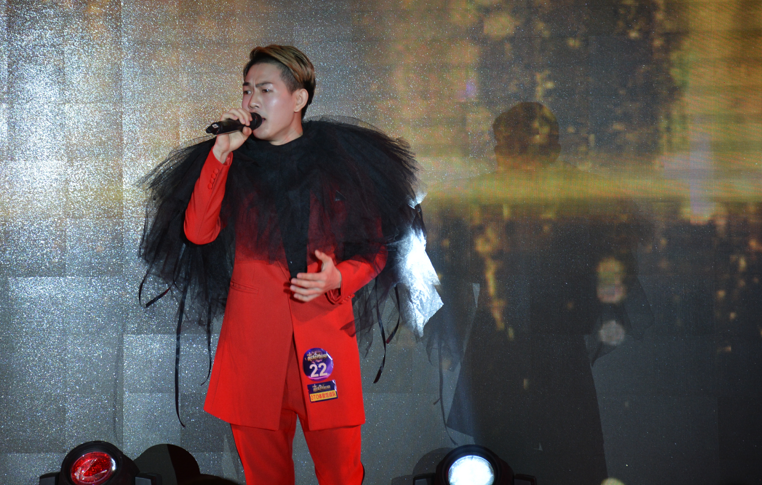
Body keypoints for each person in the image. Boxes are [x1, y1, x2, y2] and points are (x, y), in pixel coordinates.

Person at [139, 45, 441, 485]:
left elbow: (376, 251)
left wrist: (338, 277)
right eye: (247, 91)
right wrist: (220, 155)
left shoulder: (342, 165)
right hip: (254, 348)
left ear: (298, 98)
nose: (252, 101)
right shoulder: (231, 162)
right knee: (265, 476)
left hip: (323, 343)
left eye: (265, 90)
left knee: (342, 474)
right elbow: (199, 232)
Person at [426, 102, 652, 484]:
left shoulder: (582, 199)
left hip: (547, 341)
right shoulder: (480, 198)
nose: (512, 156)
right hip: (513, 341)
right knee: (510, 452)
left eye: (520, 145)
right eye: (507, 145)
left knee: (555, 449)